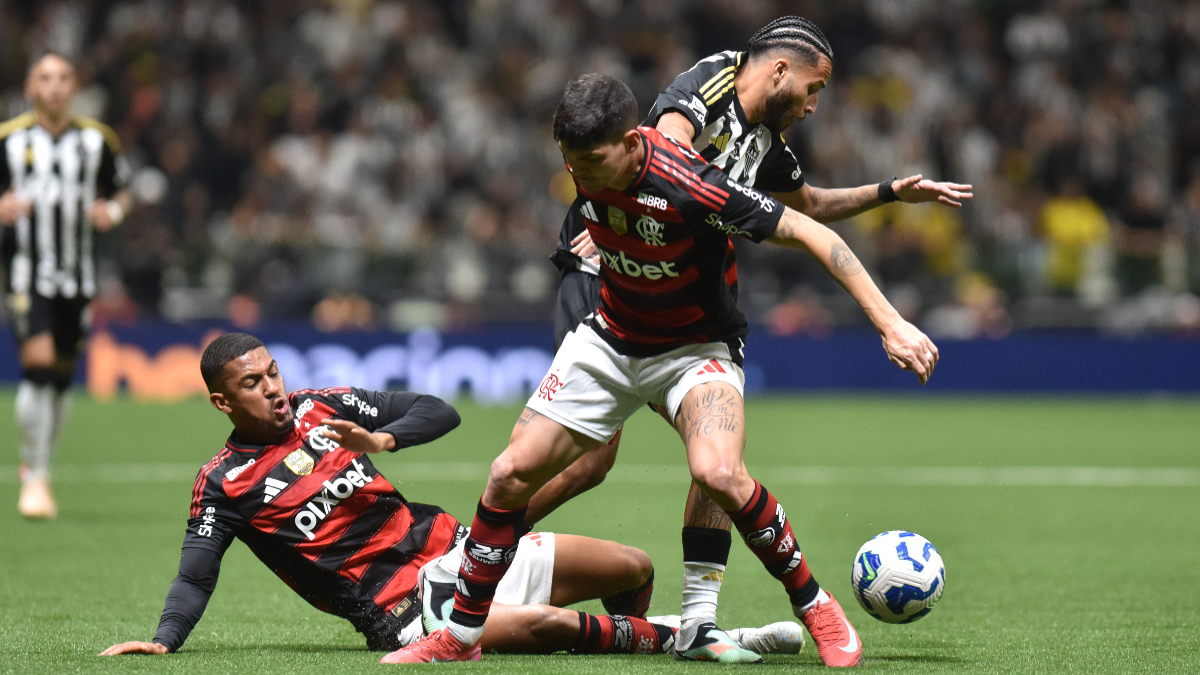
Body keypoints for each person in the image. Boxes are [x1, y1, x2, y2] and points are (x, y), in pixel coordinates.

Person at [387, 74, 938, 666]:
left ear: (631, 142)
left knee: (719, 474)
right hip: (610, 340)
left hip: (694, 350)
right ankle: (459, 638)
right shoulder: (586, 164)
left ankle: (816, 605)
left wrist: (890, 323)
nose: (580, 175)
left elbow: (808, 228)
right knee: (507, 474)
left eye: (592, 161)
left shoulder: (688, 184)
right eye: (570, 162)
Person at [531, 14, 968, 661]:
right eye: (815, 88)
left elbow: (811, 206)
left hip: (691, 291)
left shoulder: (765, 139)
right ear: (780, 70)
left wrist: (887, 193)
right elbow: (661, 143)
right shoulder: (710, 83)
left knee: (713, 462)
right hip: (612, 263)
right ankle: (470, 559)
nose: (816, 105)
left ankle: (698, 623)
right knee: (603, 457)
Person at [100, 333, 799, 660]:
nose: (275, 387)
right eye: (253, 384)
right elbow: (197, 571)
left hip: (461, 553)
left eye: (274, 371)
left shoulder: (320, 407)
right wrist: (164, 641)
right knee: (546, 628)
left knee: (633, 565)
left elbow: (437, 408)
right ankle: (694, 638)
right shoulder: (222, 482)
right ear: (223, 400)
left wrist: (384, 441)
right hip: (402, 608)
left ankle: (656, 638)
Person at [0, 50, 132, 519]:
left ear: (74, 87)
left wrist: (110, 212)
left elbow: (122, 190)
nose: (54, 86)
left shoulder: (98, 141)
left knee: (59, 378)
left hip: (78, 278)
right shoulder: (8, 141)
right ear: (30, 88)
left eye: (62, 77)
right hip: (25, 274)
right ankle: (34, 478)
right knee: (36, 365)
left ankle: (40, 468)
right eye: (44, 78)